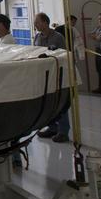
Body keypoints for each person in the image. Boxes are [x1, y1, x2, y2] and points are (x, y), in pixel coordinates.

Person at [33, 13, 69, 142]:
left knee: (60, 103)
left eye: (37, 22)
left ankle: (64, 131)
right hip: (44, 76)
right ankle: (52, 127)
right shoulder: (37, 37)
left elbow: (65, 55)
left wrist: (55, 52)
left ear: (45, 22)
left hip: (57, 75)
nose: (35, 24)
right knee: (48, 103)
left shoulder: (58, 37)